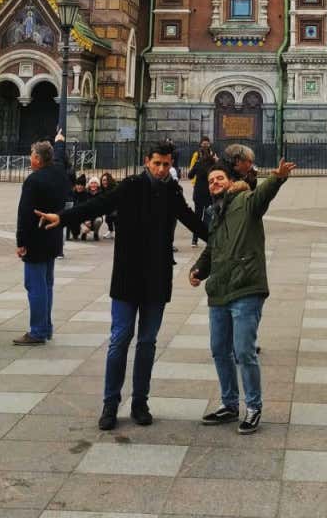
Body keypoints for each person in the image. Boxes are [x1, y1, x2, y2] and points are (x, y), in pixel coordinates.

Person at [34, 141, 209, 430]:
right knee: (119, 340)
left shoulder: (172, 192)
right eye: (157, 163)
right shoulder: (130, 186)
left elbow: (193, 222)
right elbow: (96, 205)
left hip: (157, 278)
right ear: (147, 161)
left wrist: (223, 239)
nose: (162, 169)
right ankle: (110, 403)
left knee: (148, 343)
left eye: (166, 164)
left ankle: (140, 402)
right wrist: (62, 218)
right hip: (127, 276)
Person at [189, 158, 296, 435]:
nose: (214, 184)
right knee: (219, 350)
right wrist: (199, 270)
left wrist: (278, 177)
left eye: (219, 179)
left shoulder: (246, 200)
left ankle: (253, 407)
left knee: (244, 351)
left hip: (247, 287)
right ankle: (229, 404)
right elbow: (213, 248)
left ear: (230, 181)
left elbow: (263, 195)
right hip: (220, 290)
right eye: (211, 181)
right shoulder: (214, 213)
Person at [14, 140, 68, 346]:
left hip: (35, 238)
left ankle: (37, 331)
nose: (30, 157)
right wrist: (60, 143)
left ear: (37, 158)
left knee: (34, 285)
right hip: (53, 236)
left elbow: (25, 213)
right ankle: (46, 327)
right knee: (46, 284)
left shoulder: (33, 180)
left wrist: (21, 241)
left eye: (31, 154)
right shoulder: (59, 174)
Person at [188, 141, 217, 247]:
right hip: (210, 193)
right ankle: (207, 238)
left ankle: (194, 240)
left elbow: (190, 175)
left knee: (197, 216)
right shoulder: (213, 165)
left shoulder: (198, 163)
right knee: (208, 216)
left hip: (198, 194)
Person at [99, 171, 117, 237]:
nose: (104, 182)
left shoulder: (114, 188)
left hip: (116, 208)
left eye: (106, 180)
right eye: (103, 180)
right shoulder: (102, 190)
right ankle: (111, 231)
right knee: (108, 218)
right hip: (109, 208)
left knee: (113, 217)